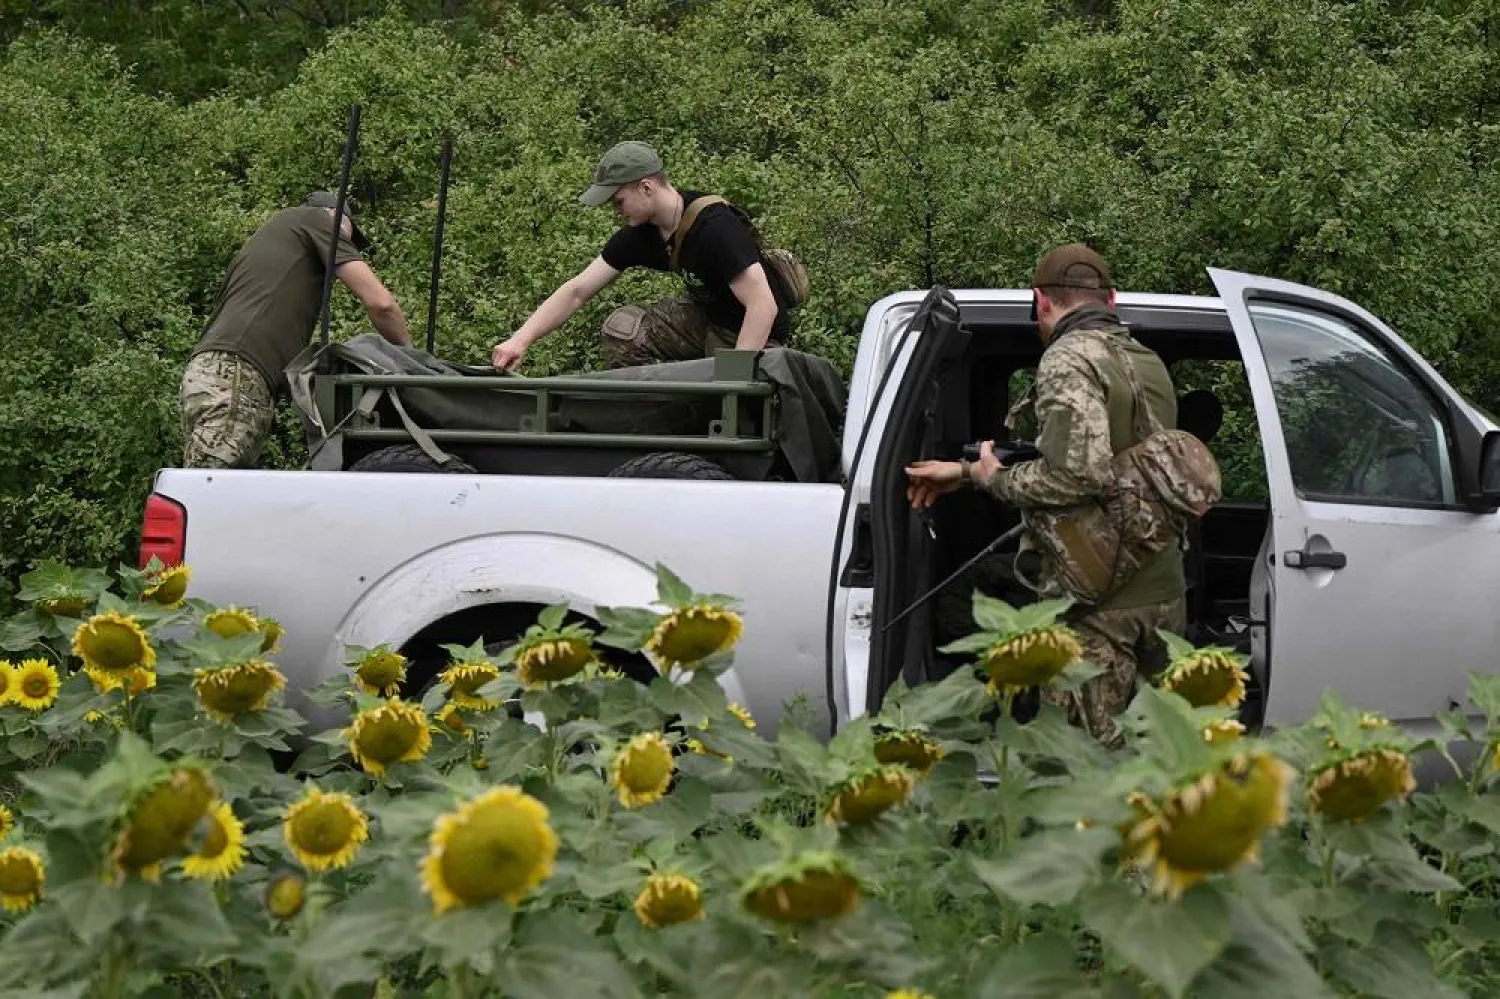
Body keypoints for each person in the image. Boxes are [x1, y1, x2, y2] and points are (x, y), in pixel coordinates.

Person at [905, 244, 1187, 748]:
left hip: (1098, 608)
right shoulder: (1147, 362)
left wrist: (992, 478)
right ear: (1112, 299)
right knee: (1154, 758)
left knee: (1078, 768)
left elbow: (1078, 475)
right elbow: (1122, 470)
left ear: (1041, 301)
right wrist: (969, 472)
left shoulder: (1068, 358)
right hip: (1162, 593)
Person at [491, 140, 793, 371]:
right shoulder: (643, 234)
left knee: (733, 401)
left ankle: (712, 405)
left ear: (646, 187)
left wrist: (735, 379)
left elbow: (762, 305)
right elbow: (577, 291)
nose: (616, 210)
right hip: (709, 320)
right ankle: (669, 419)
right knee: (625, 331)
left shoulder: (715, 227)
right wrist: (520, 339)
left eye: (618, 201)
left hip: (756, 333)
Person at [180, 192, 413, 468]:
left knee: (215, 489)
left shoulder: (270, 241)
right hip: (236, 376)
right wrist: (411, 361)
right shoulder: (316, 220)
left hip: (209, 374)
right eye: (348, 234)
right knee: (210, 491)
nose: (348, 243)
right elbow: (381, 304)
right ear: (334, 215)